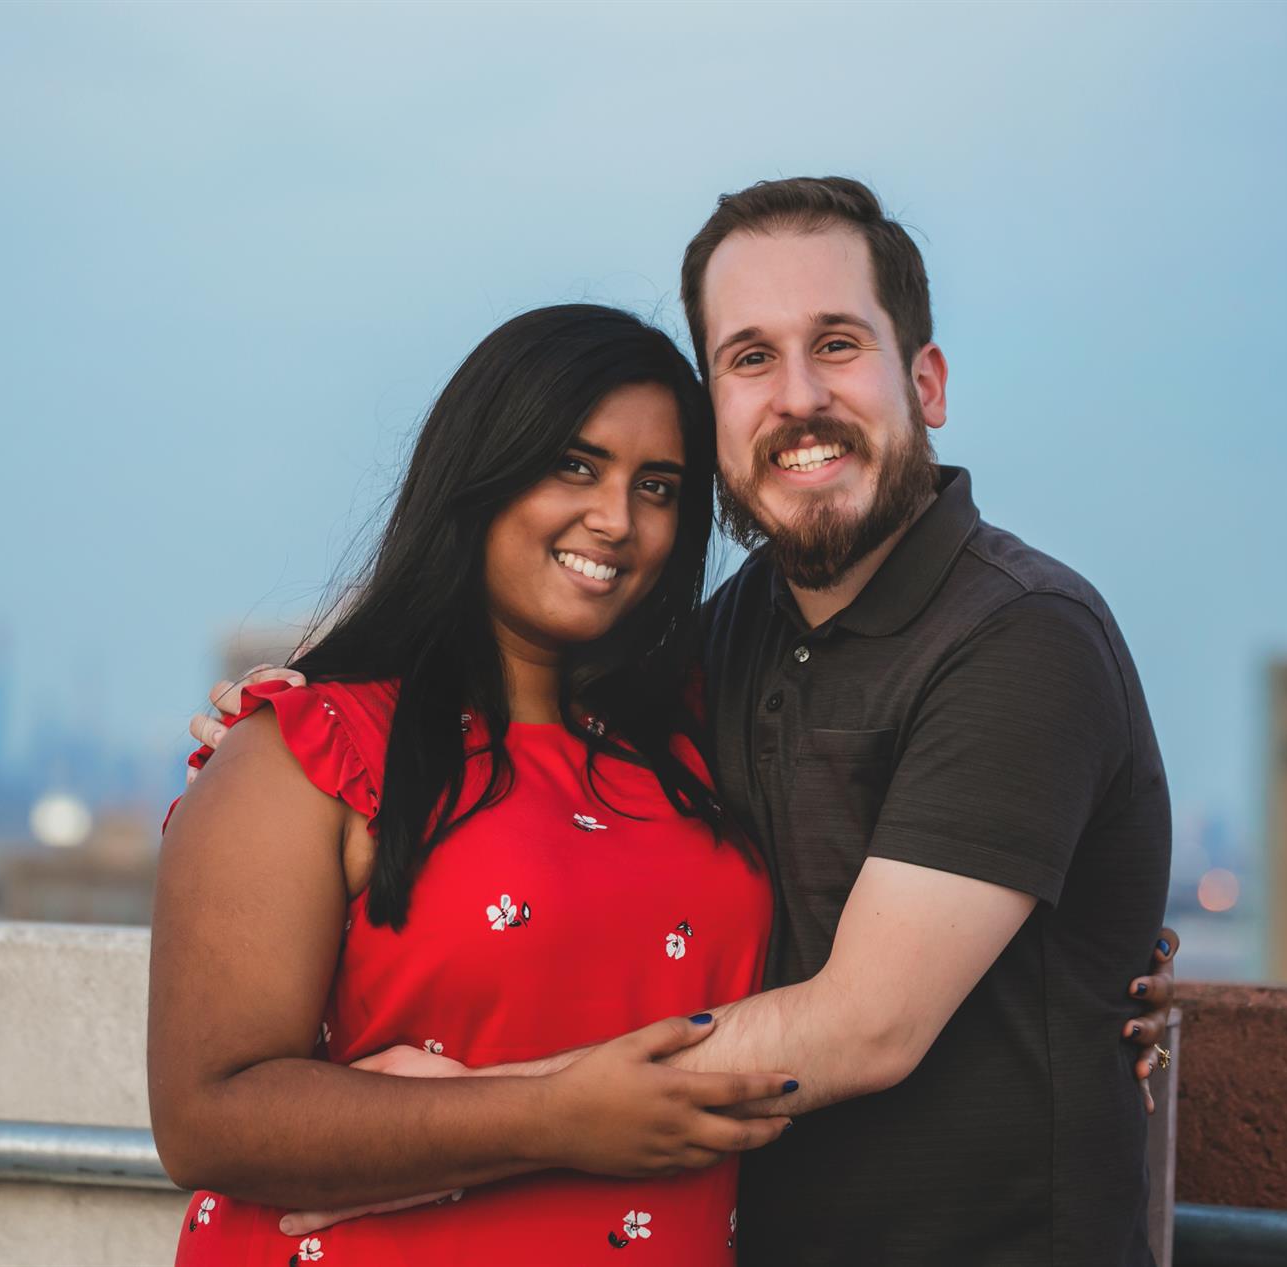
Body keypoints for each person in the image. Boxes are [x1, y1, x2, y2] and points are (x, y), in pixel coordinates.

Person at [189, 176, 1177, 1265]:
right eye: (750, 357)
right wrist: (293, 727)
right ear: (717, 415)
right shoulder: (716, 645)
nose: (798, 397)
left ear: (925, 382)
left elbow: (868, 1025)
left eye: (837, 343)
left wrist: (453, 1120)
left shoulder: (1021, 634)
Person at [152, 304, 799, 1267]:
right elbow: (205, 1118)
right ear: (480, 472)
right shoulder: (313, 751)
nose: (616, 519)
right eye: (573, 465)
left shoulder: (695, 739)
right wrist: (548, 1117)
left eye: (657, 487)